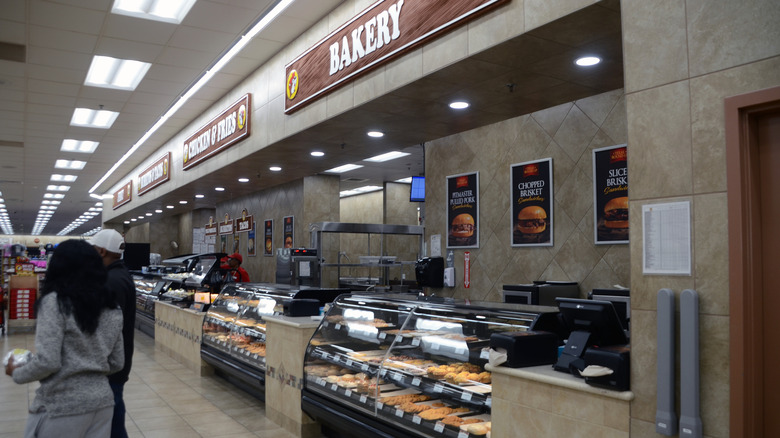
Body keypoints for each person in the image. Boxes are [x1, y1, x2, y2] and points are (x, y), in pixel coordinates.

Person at [5, 239, 124, 438]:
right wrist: (90, 368)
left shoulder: (55, 303)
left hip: (62, 405)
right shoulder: (112, 307)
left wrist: (17, 372)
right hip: (102, 404)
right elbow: (117, 362)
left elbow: (49, 361)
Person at [90, 229, 135, 438]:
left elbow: (108, 330)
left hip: (111, 366)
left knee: (113, 423)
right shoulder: (117, 275)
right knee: (112, 420)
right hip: (116, 363)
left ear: (100, 252)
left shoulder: (112, 281)